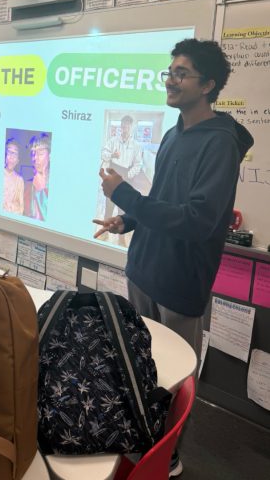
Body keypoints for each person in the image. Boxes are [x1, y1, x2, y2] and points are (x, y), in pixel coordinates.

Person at [94, 39, 253, 477]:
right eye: (170, 71)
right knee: (142, 361)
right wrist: (128, 220)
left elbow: (199, 220)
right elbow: (161, 200)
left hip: (180, 279)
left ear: (209, 85)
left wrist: (123, 193)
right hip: (143, 267)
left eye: (181, 73)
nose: (171, 79)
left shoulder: (220, 144)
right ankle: (141, 432)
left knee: (177, 371)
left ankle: (169, 451)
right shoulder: (172, 133)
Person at [101, 114, 143, 219]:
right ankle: (105, 230)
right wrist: (112, 155)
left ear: (131, 127)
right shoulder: (113, 141)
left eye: (128, 127)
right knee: (109, 203)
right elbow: (103, 154)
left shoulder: (136, 145)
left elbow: (138, 164)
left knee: (123, 206)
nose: (125, 129)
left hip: (126, 175)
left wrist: (128, 174)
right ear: (121, 126)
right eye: (123, 127)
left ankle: (121, 233)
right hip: (113, 172)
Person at [24, 133, 51, 221]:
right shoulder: (27, 185)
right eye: (33, 153)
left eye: (40, 153)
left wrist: (41, 191)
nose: (35, 158)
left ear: (50, 156)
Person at [3, 138, 24, 214]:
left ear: (18, 160)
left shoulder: (19, 180)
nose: (11, 157)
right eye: (9, 152)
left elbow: (21, 207)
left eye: (14, 154)